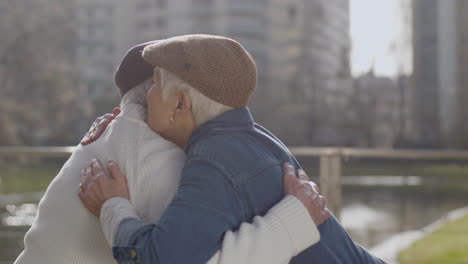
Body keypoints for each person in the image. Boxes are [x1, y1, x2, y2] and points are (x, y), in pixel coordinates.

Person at [79, 34, 386, 264]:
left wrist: (112, 207)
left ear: (180, 105)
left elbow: (160, 259)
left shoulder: (215, 159)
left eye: (155, 85)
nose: (146, 96)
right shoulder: (250, 140)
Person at [14, 40, 328, 264]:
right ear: (178, 103)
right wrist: (294, 221)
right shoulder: (157, 157)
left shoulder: (115, 135)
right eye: (153, 84)